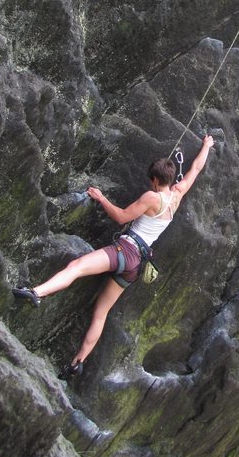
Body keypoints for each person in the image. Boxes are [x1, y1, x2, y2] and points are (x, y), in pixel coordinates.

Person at [13, 135, 214, 378]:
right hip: (136, 265)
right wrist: (207, 146)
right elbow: (195, 168)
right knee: (101, 313)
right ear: (171, 179)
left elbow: (121, 217)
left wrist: (100, 198)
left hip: (125, 251)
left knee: (76, 266)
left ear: (154, 180)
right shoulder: (178, 194)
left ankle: (37, 292)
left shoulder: (152, 197)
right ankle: (77, 363)